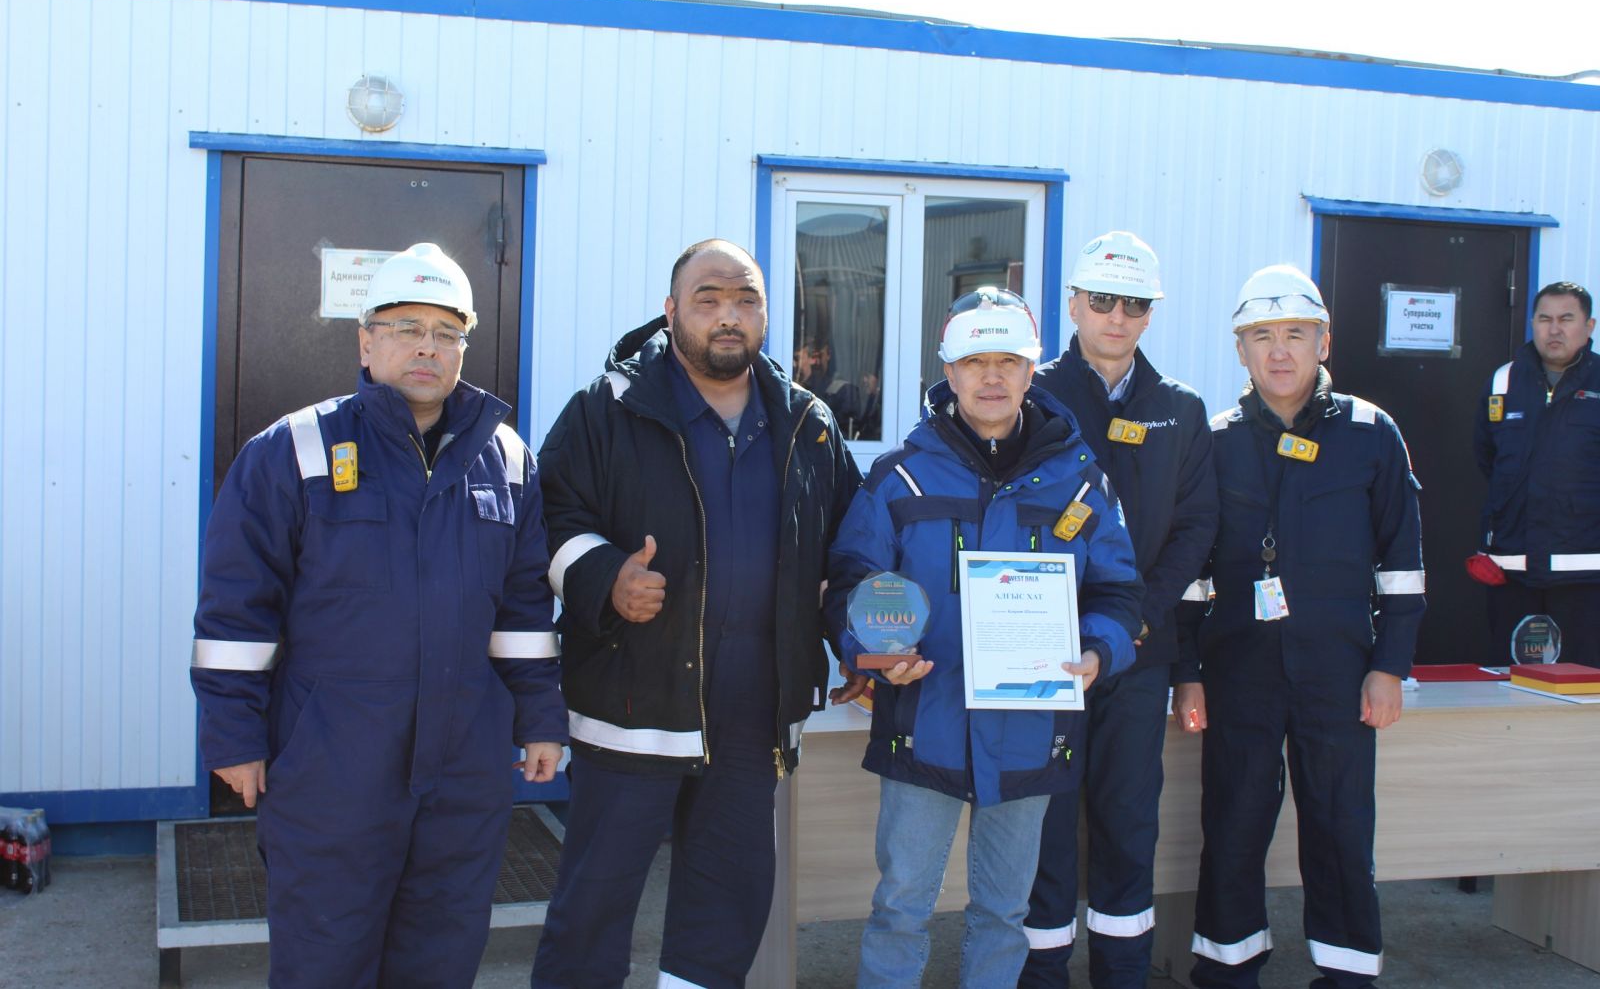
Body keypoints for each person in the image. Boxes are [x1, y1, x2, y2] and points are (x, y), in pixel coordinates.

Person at [190, 243, 566, 987]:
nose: (427, 346)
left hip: (463, 768)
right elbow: (236, 611)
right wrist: (233, 734)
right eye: (405, 328)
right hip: (332, 764)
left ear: (464, 347)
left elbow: (524, 609)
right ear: (366, 343)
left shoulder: (507, 461)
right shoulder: (293, 450)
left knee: (441, 955)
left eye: (446, 332)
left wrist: (541, 719)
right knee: (324, 958)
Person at [530, 238, 861, 989]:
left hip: (753, 715)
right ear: (671, 310)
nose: (727, 315)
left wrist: (859, 636)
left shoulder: (807, 423)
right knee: (592, 909)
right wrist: (606, 576)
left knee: (725, 911)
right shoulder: (604, 410)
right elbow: (550, 518)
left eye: (745, 300)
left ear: (766, 315)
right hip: (632, 707)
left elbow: (847, 550)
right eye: (708, 300)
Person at [825, 287, 1144, 988]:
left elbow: (1120, 591)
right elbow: (851, 584)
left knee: (1004, 913)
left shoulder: (1080, 481)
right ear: (950, 371)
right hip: (924, 724)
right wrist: (874, 657)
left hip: (1031, 730)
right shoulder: (899, 478)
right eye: (975, 362)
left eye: (1008, 361)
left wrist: (1097, 652)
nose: (992, 377)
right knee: (900, 908)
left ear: (1032, 370)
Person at [1173, 264, 1424, 989]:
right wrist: (1187, 673)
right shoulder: (1215, 441)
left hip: (1339, 670)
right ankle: (1227, 970)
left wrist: (1390, 665)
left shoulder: (1372, 434)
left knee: (1341, 827)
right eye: (1261, 336)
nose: (1278, 351)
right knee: (1233, 825)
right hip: (1239, 670)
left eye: (1294, 334)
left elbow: (1403, 565)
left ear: (1324, 342)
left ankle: (1346, 974)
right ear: (1239, 350)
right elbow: (1190, 572)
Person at [1022, 232, 1218, 988]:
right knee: (1044, 823)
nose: (1117, 316)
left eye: (1134, 304)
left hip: (1139, 651)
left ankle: (1123, 974)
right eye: (1102, 300)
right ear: (1074, 304)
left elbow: (1196, 526)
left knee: (1128, 821)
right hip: (1044, 648)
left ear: (1150, 314)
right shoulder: (1030, 395)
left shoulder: (1180, 409)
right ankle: (1041, 975)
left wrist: (1136, 616)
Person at [1471, 280, 1600, 666]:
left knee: (1584, 688)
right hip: (1513, 573)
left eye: (1566, 319)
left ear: (1589, 326)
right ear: (1532, 323)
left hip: (1586, 577)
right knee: (1509, 685)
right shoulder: (1503, 382)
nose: (1554, 329)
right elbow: (1487, 457)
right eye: (1544, 319)